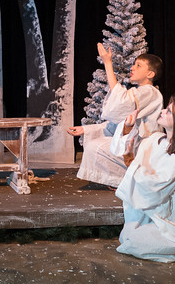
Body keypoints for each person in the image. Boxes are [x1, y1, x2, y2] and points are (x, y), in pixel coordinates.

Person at [115, 95, 175, 263]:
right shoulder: (156, 139)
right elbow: (135, 145)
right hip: (148, 211)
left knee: (134, 243)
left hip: (170, 218)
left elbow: (157, 185)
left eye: (169, 111)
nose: (163, 111)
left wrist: (130, 163)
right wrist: (128, 127)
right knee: (128, 238)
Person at [68, 43, 164, 188]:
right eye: (133, 64)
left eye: (138, 65)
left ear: (150, 74)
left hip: (144, 148)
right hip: (135, 144)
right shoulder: (139, 92)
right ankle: (125, 179)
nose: (132, 68)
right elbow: (118, 122)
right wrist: (86, 130)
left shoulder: (150, 92)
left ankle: (132, 180)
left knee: (97, 147)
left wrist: (108, 63)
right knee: (95, 146)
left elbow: (121, 103)